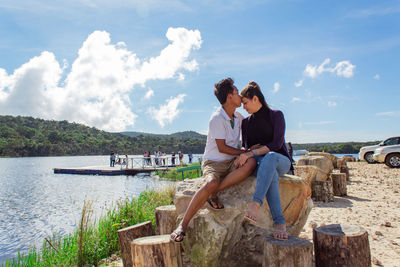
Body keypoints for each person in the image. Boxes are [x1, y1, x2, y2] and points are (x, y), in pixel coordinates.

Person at [170, 78, 257, 243]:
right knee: (210, 182)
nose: (241, 96)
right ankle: (183, 225)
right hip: (213, 163)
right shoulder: (216, 118)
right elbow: (222, 147)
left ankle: (214, 192)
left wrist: (250, 151)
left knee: (251, 163)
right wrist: (242, 152)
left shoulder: (238, 117)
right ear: (229, 97)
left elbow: (255, 120)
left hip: (231, 162)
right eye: (237, 93)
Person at [237, 81, 292, 240]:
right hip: (259, 164)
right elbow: (246, 147)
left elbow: (276, 144)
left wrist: (252, 152)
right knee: (271, 174)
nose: (243, 107)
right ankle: (280, 223)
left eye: (245, 103)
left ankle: (255, 203)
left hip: (279, 160)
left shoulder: (276, 115)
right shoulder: (246, 123)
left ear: (255, 99)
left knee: (270, 157)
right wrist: (247, 152)